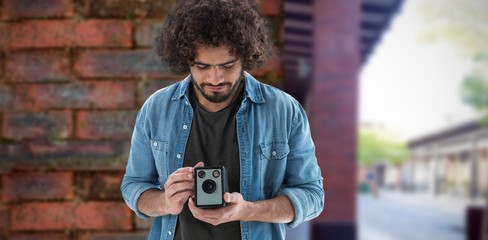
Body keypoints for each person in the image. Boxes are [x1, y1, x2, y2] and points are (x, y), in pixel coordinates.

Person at [120, 0, 324, 239]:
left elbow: (312, 196)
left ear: (245, 56)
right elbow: (134, 187)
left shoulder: (284, 111)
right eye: (202, 66)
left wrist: (248, 210)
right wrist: (166, 202)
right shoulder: (157, 109)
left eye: (227, 65)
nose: (215, 78)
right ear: (186, 60)